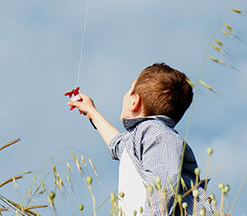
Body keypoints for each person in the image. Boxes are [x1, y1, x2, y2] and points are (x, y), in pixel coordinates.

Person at [67, 63, 213, 216]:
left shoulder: (157, 133)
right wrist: (92, 112)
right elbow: (118, 145)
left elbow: (162, 189)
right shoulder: (141, 139)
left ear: (134, 101)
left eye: (129, 89)